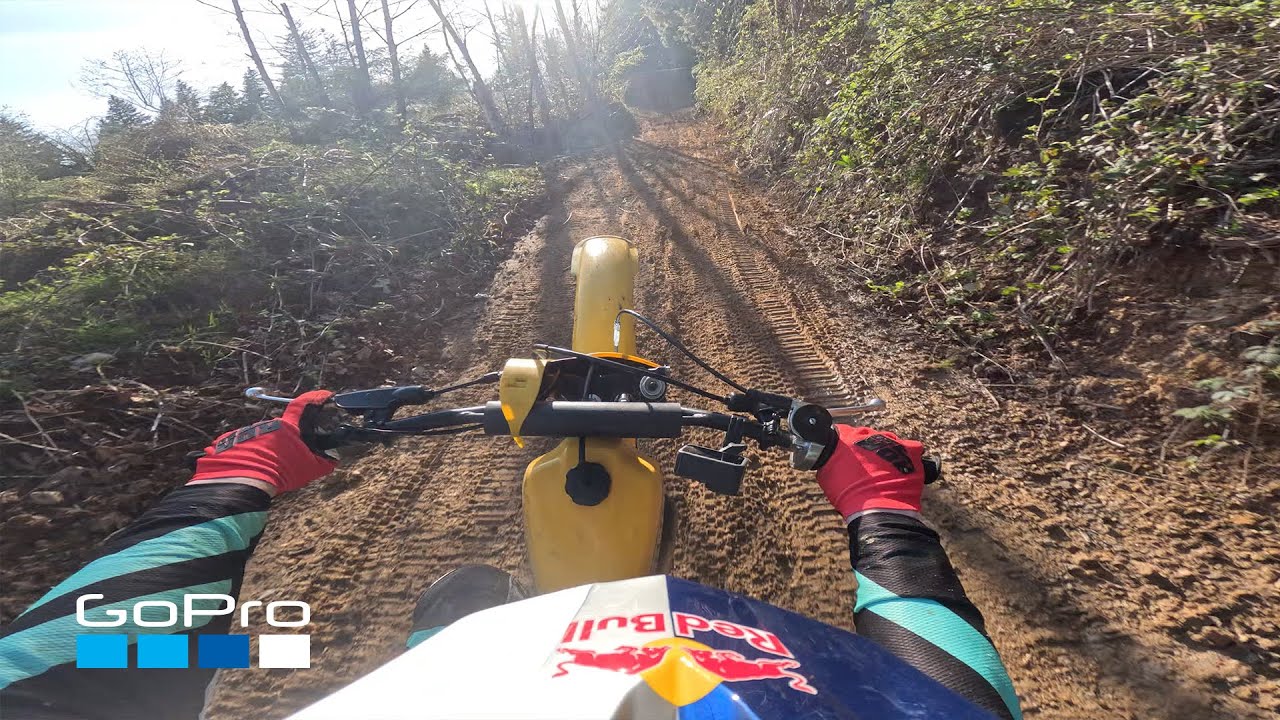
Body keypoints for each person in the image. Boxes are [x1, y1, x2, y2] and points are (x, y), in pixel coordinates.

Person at [0, 392, 1022, 720]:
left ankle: (415, 635)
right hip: (714, 672)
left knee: (275, 637)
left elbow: (58, 666)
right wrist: (880, 503)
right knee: (198, 646)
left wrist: (238, 474)